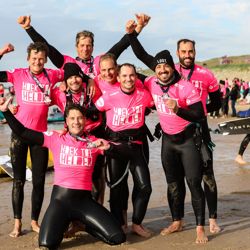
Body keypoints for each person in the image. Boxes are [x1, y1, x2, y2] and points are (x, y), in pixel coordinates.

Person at [0, 98, 126, 250]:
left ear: (85, 120)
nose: (76, 122)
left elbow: (124, 152)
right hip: (60, 202)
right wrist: (5, 112)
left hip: (84, 203)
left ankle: (83, 226)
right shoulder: (56, 138)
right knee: (46, 245)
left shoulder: (94, 142)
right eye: (72, 118)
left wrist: (109, 148)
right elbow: (23, 132)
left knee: (117, 238)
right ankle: (65, 224)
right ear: (66, 120)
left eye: (80, 118)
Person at [126, 21, 208, 243]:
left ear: (173, 67)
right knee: (173, 184)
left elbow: (199, 114)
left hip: (188, 141)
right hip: (168, 143)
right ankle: (177, 220)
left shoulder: (185, 87)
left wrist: (178, 109)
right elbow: (141, 55)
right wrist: (131, 34)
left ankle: (200, 225)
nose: (162, 70)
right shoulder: (152, 82)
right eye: (159, 68)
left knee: (193, 183)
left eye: (166, 67)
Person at [0, 42, 64, 237]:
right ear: (28, 59)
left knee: (38, 181)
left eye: (41, 58)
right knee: (18, 180)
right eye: (34, 58)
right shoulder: (18, 74)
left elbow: (69, 71)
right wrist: (2, 51)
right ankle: (18, 222)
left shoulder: (51, 75)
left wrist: (64, 85)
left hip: (41, 138)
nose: (37, 61)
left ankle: (34, 220)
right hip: (19, 134)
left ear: (45, 60)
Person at [95, 63, 154, 237]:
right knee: (117, 188)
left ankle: (137, 223)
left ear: (136, 77)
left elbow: (159, 105)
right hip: (115, 147)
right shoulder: (109, 96)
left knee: (145, 187)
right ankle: (119, 225)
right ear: (118, 78)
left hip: (136, 146)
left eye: (132, 76)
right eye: (125, 76)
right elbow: (91, 113)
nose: (128, 79)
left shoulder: (144, 95)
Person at [17, 14, 150, 78]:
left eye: (88, 45)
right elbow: (47, 47)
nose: (85, 49)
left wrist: (138, 27)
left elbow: (122, 45)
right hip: (77, 117)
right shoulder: (67, 63)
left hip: (100, 115)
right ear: (76, 46)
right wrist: (28, 28)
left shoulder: (101, 61)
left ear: (92, 47)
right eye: (82, 45)